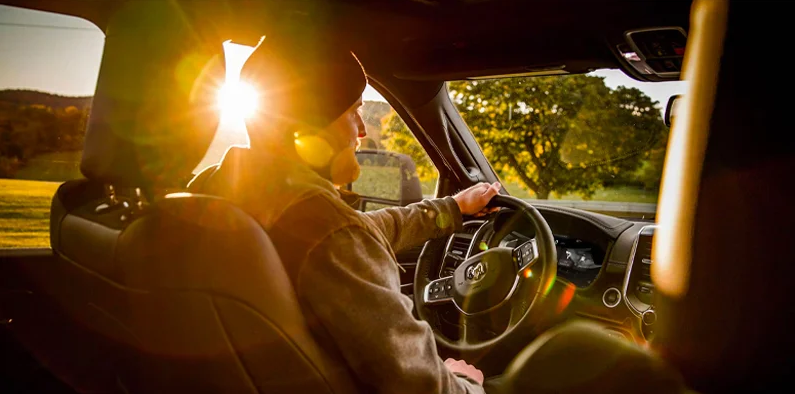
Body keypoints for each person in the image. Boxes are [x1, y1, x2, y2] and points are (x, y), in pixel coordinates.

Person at [195, 37, 501, 394]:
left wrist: (452, 209)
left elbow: (363, 229)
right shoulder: (330, 231)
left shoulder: (218, 189)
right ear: (311, 126)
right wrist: (467, 383)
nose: (362, 130)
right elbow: (421, 386)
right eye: (353, 111)